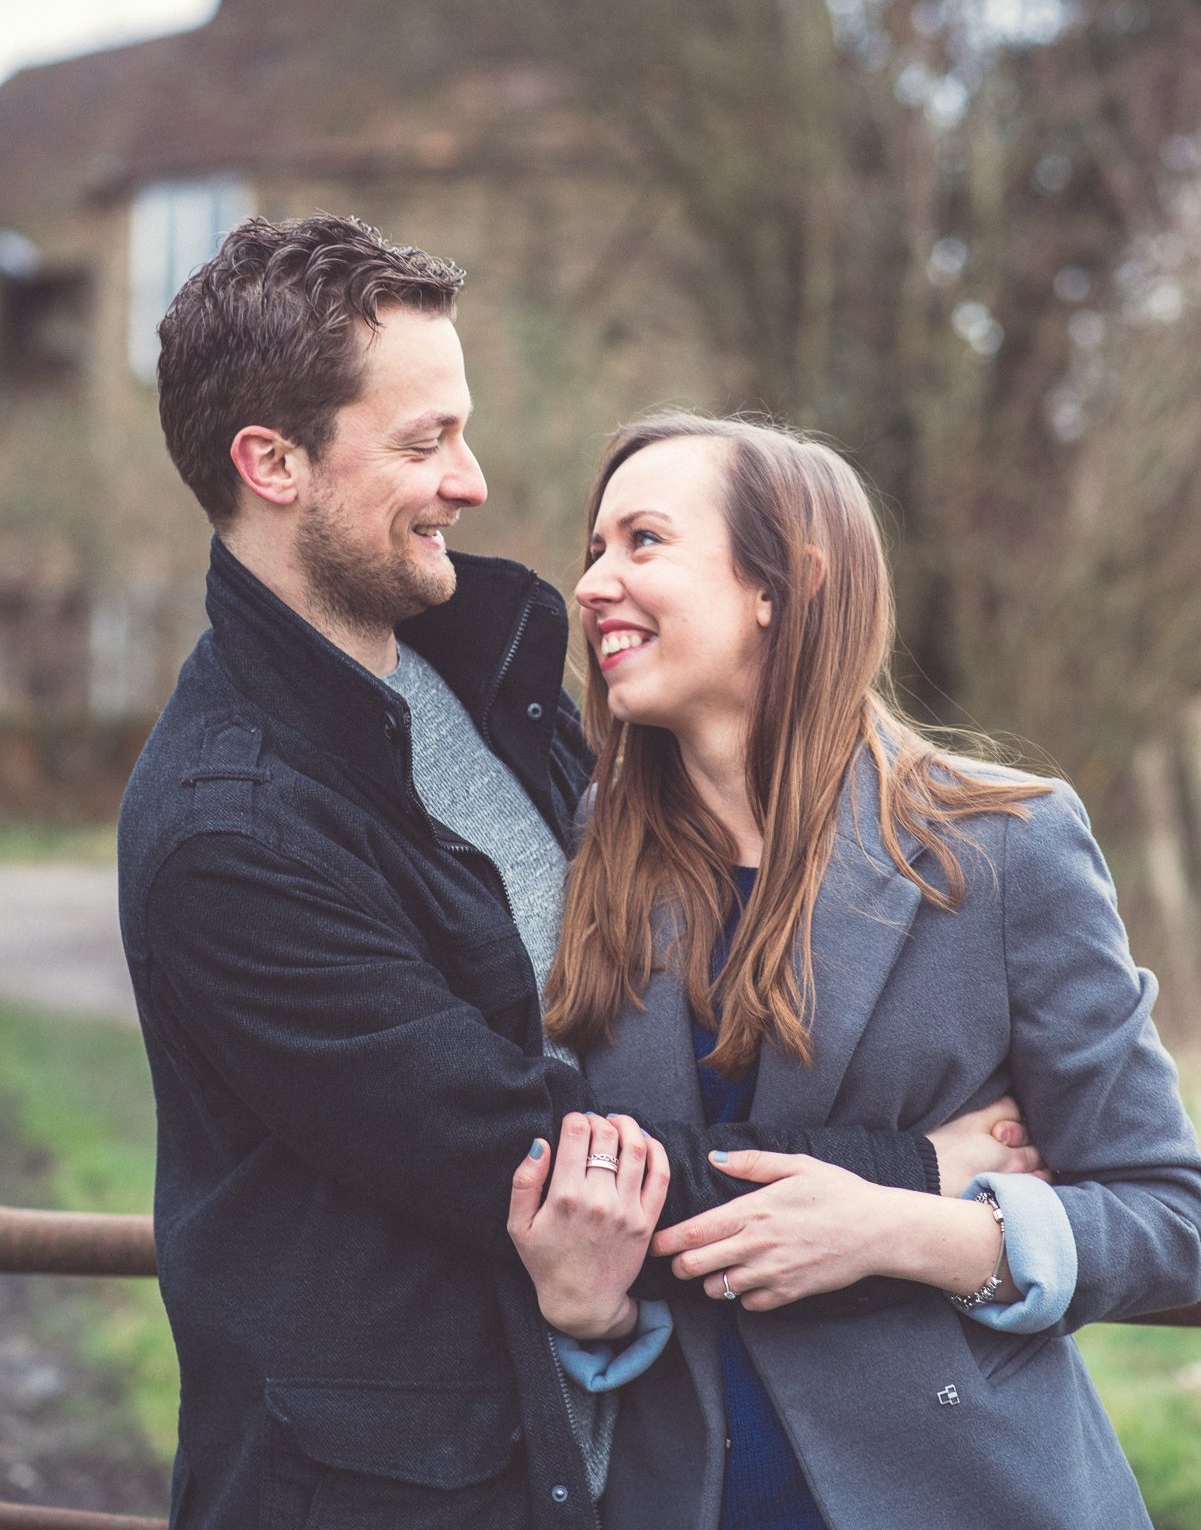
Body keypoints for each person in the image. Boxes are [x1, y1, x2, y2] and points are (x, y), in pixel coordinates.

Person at [118, 216, 1039, 1530]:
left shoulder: (486, 678)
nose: (473, 480)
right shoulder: (233, 835)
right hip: (390, 1494)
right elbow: (541, 1161)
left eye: (464, 429)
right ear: (270, 463)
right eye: (423, 442)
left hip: (609, 1438)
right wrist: (914, 1177)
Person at [508, 411, 1201, 1530]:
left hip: (969, 1495)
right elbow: (570, 1188)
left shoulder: (1005, 845)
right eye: (594, 550)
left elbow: (1171, 1214)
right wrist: (584, 1314)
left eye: (642, 542)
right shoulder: (586, 849)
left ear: (783, 581)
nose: (593, 583)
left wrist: (906, 1228)